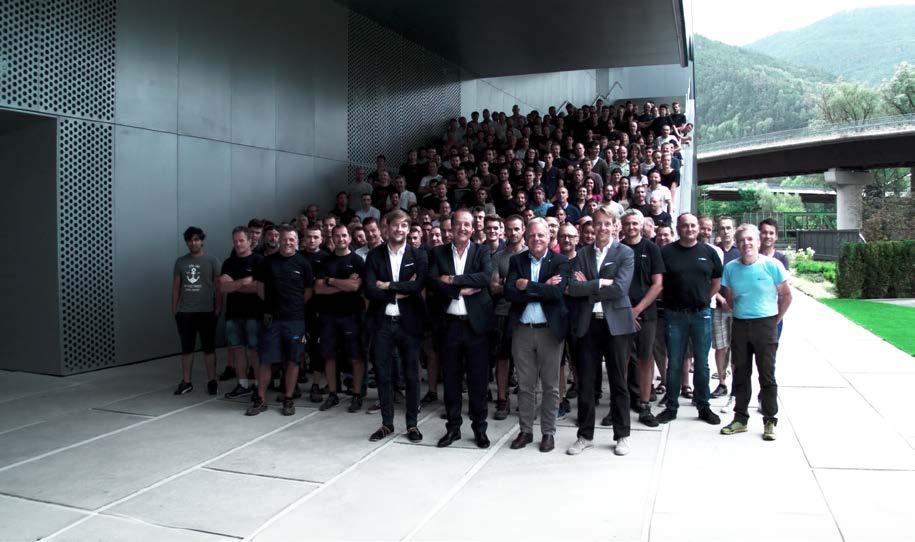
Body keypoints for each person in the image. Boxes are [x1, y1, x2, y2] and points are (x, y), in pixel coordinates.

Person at [566, 206, 636, 456]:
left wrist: (589, 286)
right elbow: (572, 288)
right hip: (588, 324)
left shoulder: (625, 252)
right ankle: (585, 436)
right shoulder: (582, 254)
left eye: (607, 223)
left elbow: (620, 289)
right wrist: (600, 282)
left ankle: (622, 435)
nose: (603, 228)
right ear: (592, 227)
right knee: (585, 382)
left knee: (618, 382)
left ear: (615, 226)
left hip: (615, 324)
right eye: (598, 223)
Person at [428, 209, 494, 449]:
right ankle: (453, 428)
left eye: (467, 224)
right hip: (450, 326)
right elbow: (433, 281)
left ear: (473, 229)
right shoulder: (438, 252)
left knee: (478, 381)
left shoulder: (482, 251)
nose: (463, 228)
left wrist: (453, 279)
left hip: (476, 327)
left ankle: (479, 429)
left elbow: (485, 278)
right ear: (451, 227)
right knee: (451, 380)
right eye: (459, 224)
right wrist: (459, 290)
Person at [720, 224, 792, 441]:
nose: (746, 244)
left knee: (767, 374)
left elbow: (786, 296)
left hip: (766, 325)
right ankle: (740, 419)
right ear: (737, 243)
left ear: (758, 242)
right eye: (742, 240)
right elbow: (730, 298)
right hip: (740, 325)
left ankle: (770, 420)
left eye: (750, 239)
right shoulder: (730, 268)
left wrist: (774, 320)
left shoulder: (772, 265)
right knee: (741, 374)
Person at [505, 218, 570, 453]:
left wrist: (528, 285)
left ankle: (548, 432)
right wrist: (543, 286)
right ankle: (525, 430)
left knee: (551, 386)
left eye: (541, 235)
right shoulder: (517, 260)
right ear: (526, 237)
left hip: (549, 332)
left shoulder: (560, 261)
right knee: (525, 385)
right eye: (532, 235)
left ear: (549, 236)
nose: (536, 239)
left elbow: (557, 292)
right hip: (522, 331)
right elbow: (510, 293)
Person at [363, 210, 428, 442]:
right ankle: (387, 424)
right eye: (395, 225)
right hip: (382, 323)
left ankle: (412, 425)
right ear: (386, 228)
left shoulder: (418, 255)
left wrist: (387, 285)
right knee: (383, 375)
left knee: (411, 375)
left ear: (408, 229)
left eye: (404, 226)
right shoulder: (374, 256)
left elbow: (418, 286)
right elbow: (369, 289)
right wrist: (400, 289)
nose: (399, 230)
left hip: (409, 324)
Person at [656, 214, 723, 426]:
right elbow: (658, 284)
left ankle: (703, 406)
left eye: (693, 225)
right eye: (685, 225)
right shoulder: (665, 252)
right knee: (674, 363)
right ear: (678, 228)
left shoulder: (709, 252)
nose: (690, 229)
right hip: (674, 315)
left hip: (701, 314)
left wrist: (702, 299)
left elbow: (716, 283)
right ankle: (671, 407)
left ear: (698, 228)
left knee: (702, 363)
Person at [247, 226, 314, 416]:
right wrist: (273, 306)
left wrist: (293, 306)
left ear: (297, 241)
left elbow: (308, 291)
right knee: (266, 360)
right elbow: (260, 289)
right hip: (272, 320)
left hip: (295, 320)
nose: (288, 242)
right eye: (285, 239)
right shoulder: (267, 262)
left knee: (293, 360)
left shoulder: (303, 263)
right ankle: (261, 399)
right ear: (279, 240)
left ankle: (288, 398)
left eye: (292, 239)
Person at [313, 224, 366, 413]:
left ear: (349, 238)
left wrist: (331, 281)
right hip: (328, 316)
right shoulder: (325, 261)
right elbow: (318, 289)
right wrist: (343, 284)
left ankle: (357, 395)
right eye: (337, 236)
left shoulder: (357, 261)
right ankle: (333, 394)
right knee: (329, 356)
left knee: (356, 357)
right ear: (332, 238)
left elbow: (355, 287)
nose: (341, 239)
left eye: (344, 235)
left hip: (351, 315)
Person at [620, 210, 664, 427]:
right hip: (619, 313)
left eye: (635, 223)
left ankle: (645, 406)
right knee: (621, 361)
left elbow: (658, 284)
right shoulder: (616, 249)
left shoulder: (652, 248)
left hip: (646, 314)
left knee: (646, 360)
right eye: (627, 223)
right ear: (622, 226)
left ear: (642, 225)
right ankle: (620, 406)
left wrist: (636, 310)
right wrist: (626, 311)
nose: (631, 227)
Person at [172, 227, 221, 396]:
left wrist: (218, 308)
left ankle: (212, 381)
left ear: (202, 241)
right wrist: (175, 310)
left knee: (209, 349)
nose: (193, 243)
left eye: (196, 239)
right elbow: (176, 287)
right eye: (190, 240)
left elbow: (218, 287)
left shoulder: (212, 261)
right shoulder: (180, 262)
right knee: (187, 349)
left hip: (207, 311)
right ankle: (186, 382)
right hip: (186, 312)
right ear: (187, 242)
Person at [220, 226, 264, 399]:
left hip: (254, 314)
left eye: (241, 240)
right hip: (233, 314)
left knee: (254, 351)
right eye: (235, 241)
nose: (238, 244)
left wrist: (234, 284)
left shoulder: (259, 261)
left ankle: (259, 386)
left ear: (250, 241)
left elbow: (258, 287)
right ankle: (242, 384)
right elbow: (223, 287)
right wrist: (243, 282)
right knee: (238, 350)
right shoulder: (228, 263)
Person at [490, 215, 526, 420]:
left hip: (524, 312)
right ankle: (502, 399)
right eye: (509, 229)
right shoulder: (498, 257)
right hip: (502, 312)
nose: (513, 233)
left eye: (516, 229)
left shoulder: (530, 253)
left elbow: (532, 284)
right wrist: (515, 285)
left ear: (523, 230)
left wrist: (507, 284)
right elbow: (493, 287)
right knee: (502, 357)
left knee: (524, 359)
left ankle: (525, 399)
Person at [711, 216, 740, 400]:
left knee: (736, 347)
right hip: (718, 305)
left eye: (729, 228)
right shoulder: (713, 252)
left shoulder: (740, 252)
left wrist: (733, 301)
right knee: (720, 346)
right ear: (718, 231)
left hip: (738, 308)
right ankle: (722, 383)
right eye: (722, 228)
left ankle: (737, 384)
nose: (726, 231)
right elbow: (708, 279)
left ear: (734, 230)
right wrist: (721, 300)